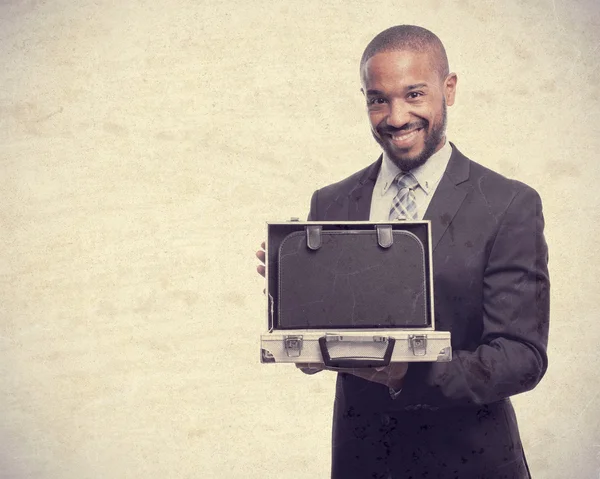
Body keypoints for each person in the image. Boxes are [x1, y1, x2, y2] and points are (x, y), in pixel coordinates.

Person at [256, 25, 549, 479]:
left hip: (470, 462)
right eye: (378, 99)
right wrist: (297, 307)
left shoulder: (509, 204)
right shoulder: (331, 204)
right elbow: (318, 355)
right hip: (362, 461)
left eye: (414, 94)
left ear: (448, 89)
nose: (395, 117)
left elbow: (521, 357)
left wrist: (406, 375)